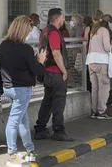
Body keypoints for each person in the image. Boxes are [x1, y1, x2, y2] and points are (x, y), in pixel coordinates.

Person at [0, 15, 46, 164]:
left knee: (22, 119)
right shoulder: (25, 49)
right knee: (14, 121)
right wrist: (41, 61)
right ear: (24, 30)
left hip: (8, 88)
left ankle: (30, 150)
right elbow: (37, 71)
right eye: (28, 31)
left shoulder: (3, 45)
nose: (28, 34)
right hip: (22, 90)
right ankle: (12, 153)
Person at [34, 8, 74, 141]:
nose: (64, 20)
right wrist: (64, 71)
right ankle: (59, 131)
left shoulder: (44, 31)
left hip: (46, 72)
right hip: (56, 73)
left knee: (47, 102)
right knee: (58, 102)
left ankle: (40, 129)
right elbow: (56, 53)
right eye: (63, 17)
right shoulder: (54, 33)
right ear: (59, 18)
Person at [86, 10, 112, 120]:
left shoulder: (90, 30)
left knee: (95, 87)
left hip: (91, 60)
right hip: (101, 61)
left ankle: (94, 111)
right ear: (102, 19)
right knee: (104, 87)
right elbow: (106, 48)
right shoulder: (103, 30)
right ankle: (101, 111)